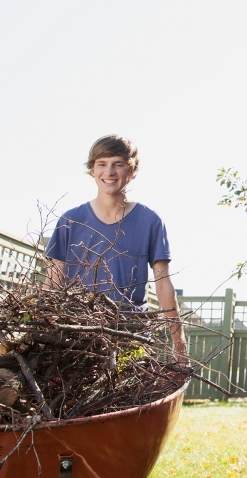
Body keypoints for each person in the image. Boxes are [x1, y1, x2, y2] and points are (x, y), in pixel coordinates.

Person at [45, 134, 188, 363]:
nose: (109, 172)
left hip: (130, 337)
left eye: (118, 164)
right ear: (92, 170)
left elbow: (163, 285)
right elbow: (53, 283)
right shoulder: (70, 220)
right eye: (102, 164)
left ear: (131, 171)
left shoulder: (149, 221)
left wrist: (179, 346)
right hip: (74, 337)